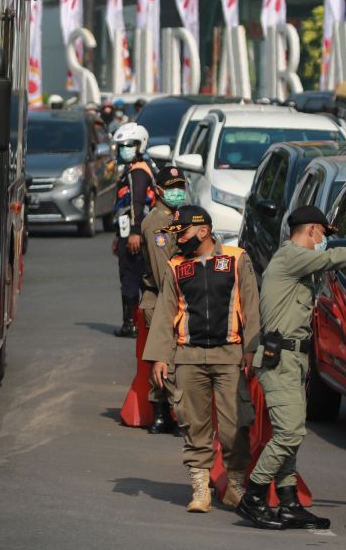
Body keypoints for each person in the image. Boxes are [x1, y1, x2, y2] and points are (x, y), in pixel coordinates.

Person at [238, 206, 346, 531]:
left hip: (294, 359)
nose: (324, 242)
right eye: (323, 235)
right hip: (280, 359)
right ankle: (254, 496)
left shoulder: (298, 262)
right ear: (311, 231)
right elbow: (331, 259)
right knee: (290, 432)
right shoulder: (290, 256)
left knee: (289, 435)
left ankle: (288, 503)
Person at [144, 206, 260, 514]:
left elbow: (251, 305)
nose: (178, 240)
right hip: (189, 356)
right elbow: (166, 313)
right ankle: (200, 489)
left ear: (203, 231)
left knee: (235, 424)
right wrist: (159, 358)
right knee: (194, 423)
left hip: (230, 354)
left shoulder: (236, 258)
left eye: (182, 233)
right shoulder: (175, 266)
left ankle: (235, 486)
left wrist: (251, 349)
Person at [138, 166, 189, 436]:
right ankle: (181, 416)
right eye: (172, 188)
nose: (178, 192)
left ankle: (160, 416)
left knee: (163, 357)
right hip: (161, 300)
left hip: (165, 300)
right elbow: (161, 274)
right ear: (158, 191)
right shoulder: (158, 223)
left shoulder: (172, 217)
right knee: (169, 362)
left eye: (181, 186)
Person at [111, 122, 155, 337]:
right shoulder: (136, 169)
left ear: (140, 146)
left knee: (131, 277)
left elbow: (136, 203)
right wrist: (118, 235)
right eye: (121, 146)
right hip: (128, 232)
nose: (123, 150)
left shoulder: (138, 172)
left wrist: (134, 232)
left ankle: (132, 324)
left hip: (136, 235)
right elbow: (124, 207)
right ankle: (137, 322)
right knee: (136, 278)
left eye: (128, 145)